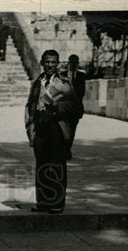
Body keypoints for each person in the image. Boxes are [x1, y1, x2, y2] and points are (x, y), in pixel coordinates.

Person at [24, 49, 80, 214]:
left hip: (57, 127)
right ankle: (43, 202)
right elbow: (30, 105)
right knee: (42, 166)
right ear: (42, 63)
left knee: (56, 166)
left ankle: (56, 203)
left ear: (57, 64)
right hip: (40, 128)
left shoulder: (64, 83)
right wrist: (30, 127)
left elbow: (75, 106)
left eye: (53, 62)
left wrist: (56, 105)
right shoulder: (37, 82)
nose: (50, 65)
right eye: (47, 62)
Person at [66, 54, 87, 151]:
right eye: (71, 62)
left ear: (78, 64)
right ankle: (63, 148)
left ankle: (67, 148)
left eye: (75, 63)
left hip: (76, 108)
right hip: (64, 108)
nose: (73, 65)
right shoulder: (62, 75)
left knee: (72, 129)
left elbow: (82, 92)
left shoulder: (82, 76)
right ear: (68, 63)